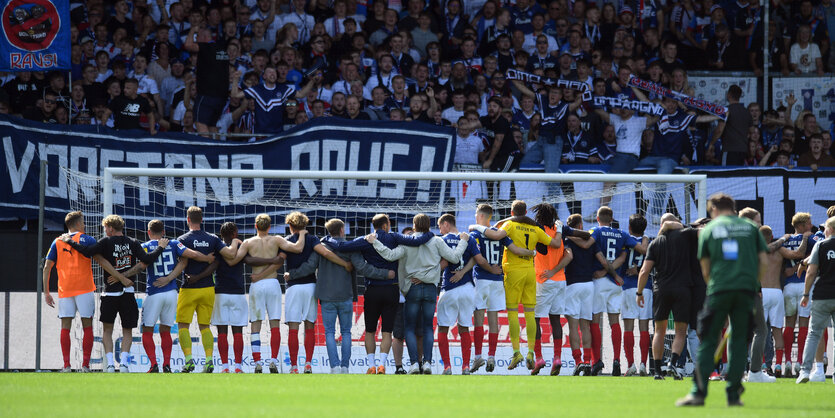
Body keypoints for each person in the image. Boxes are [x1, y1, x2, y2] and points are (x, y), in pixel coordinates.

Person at [677, 193, 768, 407]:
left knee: (709, 340)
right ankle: (733, 395)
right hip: (746, 291)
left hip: (719, 289)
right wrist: (753, 283)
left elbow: (705, 265)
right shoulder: (750, 228)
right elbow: (763, 260)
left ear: (714, 209)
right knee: (738, 343)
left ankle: (698, 393)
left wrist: (712, 284)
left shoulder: (709, 229)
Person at [320, 213, 433, 375]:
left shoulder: (366, 239)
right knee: (387, 331)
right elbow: (417, 240)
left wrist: (327, 239)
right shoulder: (394, 237)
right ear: (386, 225)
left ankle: (371, 365)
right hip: (391, 289)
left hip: (372, 290)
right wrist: (430, 233)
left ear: (374, 225)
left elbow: (341, 247)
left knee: (370, 331)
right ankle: (382, 365)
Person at [60, 215, 169, 373]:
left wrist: (68, 241)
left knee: (107, 330)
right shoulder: (133, 242)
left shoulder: (105, 242)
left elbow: (87, 252)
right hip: (128, 292)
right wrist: (160, 247)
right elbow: (147, 259)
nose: (105, 231)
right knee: (127, 330)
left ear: (110, 228)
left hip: (110, 293)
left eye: (105, 228)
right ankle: (124, 365)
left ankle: (110, 365)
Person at [367, 213, 471, 374]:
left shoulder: (407, 242)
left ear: (414, 225)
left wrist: (375, 242)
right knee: (428, 327)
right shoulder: (437, 241)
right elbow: (454, 257)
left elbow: (389, 255)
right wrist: (463, 241)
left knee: (409, 328)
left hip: (412, 289)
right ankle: (427, 363)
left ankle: (414, 364)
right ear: (429, 225)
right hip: (430, 289)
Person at [289, 218, 390, 374]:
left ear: (329, 231)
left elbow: (309, 267)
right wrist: (385, 274)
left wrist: (292, 274)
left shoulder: (321, 247)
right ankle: (345, 367)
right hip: (345, 296)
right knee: (346, 332)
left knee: (329, 332)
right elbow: (363, 268)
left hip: (326, 296)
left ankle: (334, 367)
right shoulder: (350, 248)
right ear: (342, 230)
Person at [43, 211, 128, 372]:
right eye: (82, 222)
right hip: (84, 289)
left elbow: (47, 267)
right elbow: (100, 258)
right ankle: (85, 365)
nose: (84, 225)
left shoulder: (57, 241)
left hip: (65, 290)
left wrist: (46, 292)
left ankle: (66, 365)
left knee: (65, 327)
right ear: (76, 224)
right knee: (87, 326)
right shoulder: (87, 239)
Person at [222, 214, 306, 373]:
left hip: (256, 284)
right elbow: (298, 248)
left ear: (255, 226)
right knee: (274, 324)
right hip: (273, 283)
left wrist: (233, 245)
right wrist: (301, 234)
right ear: (269, 227)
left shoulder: (248, 242)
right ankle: (274, 359)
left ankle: (257, 362)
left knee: (256, 324)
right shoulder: (277, 240)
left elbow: (233, 261)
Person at [491, 200, 565, 370]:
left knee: (513, 313)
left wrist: (479, 227)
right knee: (530, 315)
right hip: (531, 273)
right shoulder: (535, 229)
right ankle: (531, 353)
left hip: (514, 272)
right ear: (525, 212)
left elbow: (495, 233)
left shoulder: (510, 225)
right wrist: (559, 230)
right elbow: (555, 243)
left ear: (511, 212)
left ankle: (517, 352)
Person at [136, 220, 216, 373]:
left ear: (148, 232)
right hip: (172, 293)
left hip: (154, 292)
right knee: (166, 330)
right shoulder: (173, 244)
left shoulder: (145, 246)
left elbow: (140, 265)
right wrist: (207, 258)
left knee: (147, 329)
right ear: (164, 231)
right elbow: (191, 255)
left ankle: (153, 365)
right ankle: (167, 365)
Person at [575, 206, 647, 376]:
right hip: (616, 283)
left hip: (598, 281)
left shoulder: (595, 231)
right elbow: (637, 251)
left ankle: (596, 360)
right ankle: (616, 360)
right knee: (614, 322)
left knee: (595, 320)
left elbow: (586, 245)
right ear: (612, 218)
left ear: (598, 219)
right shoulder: (622, 234)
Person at [436, 214, 503, 375]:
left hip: (449, 287)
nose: (440, 230)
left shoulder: (442, 240)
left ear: (445, 224)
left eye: (440, 227)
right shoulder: (468, 238)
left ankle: (447, 366)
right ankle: (465, 366)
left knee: (443, 329)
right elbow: (478, 259)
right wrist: (491, 269)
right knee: (464, 328)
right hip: (467, 288)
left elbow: (442, 265)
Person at [176, 206, 239, 373]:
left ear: (188, 219)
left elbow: (183, 261)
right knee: (205, 326)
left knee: (183, 325)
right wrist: (236, 241)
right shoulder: (212, 239)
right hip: (208, 289)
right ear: (202, 220)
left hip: (189, 288)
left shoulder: (182, 239)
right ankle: (209, 361)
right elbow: (229, 255)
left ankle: (189, 360)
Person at [638, 214, 697, 380]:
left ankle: (657, 371)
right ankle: (672, 363)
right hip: (683, 289)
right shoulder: (686, 237)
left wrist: (639, 292)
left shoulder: (655, 243)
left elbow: (644, 271)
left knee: (659, 331)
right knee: (680, 332)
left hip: (661, 290)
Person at [469, 204, 515, 373]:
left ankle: (478, 356)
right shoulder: (499, 234)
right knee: (494, 319)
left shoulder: (475, 234)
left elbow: (477, 259)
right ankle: (492, 356)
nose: (474, 216)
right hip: (497, 281)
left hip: (481, 279)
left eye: (476, 214)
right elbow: (513, 249)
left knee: (479, 319)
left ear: (481, 215)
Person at [531, 203, 573, 376]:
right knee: (555, 320)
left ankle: (539, 357)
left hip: (543, 279)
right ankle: (557, 358)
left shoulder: (538, 231)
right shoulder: (559, 230)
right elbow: (569, 255)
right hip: (560, 280)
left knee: (534, 319)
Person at [796, 216, 835, 383]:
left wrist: (805, 294)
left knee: (814, 334)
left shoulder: (820, 245)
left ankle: (805, 371)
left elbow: (811, 272)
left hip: (822, 296)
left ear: (830, 229)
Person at [564, 214, 602, 375]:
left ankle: (578, 361)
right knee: (585, 325)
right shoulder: (591, 242)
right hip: (589, 284)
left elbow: (568, 257)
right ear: (580, 226)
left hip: (572, 284)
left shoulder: (566, 241)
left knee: (573, 326)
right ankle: (587, 361)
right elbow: (602, 259)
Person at [782, 212, 815, 377]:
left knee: (788, 323)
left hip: (788, 287)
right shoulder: (810, 239)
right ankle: (799, 362)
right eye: (809, 224)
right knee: (803, 324)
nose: (811, 226)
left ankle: (787, 361)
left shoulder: (786, 239)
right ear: (802, 225)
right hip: (804, 286)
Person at [621, 214, 652, 377]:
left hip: (627, 287)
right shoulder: (649, 243)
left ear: (630, 227)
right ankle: (643, 365)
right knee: (644, 327)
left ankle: (630, 364)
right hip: (645, 287)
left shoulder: (625, 240)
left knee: (628, 327)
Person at [184, 27, 229, 136]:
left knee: (201, 124)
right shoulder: (222, 49)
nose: (196, 39)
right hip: (222, 96)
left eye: (197, 36)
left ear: (204, 37)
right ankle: (216, 150)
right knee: (212, 126)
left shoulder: (206, 47)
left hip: (207, 95)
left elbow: (188, 45)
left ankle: (208, 151)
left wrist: (192, 30)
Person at [708, 85, 751, 166]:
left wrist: (711, 144)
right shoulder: (746, 112)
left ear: (728, 94)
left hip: (730, 150)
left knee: (727, 175)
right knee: (739, 176)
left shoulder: (725, 111)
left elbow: (719, 129)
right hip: (743, 151)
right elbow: (750, 131)